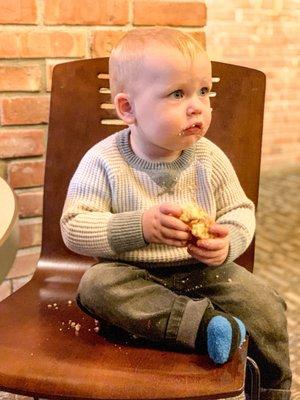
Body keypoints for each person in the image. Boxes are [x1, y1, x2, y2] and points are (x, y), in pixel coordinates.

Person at [60, 27, 291, 399]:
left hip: (204, 272)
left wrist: (227, 241)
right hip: (130, 273)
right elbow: (74, 227)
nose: (197, 105)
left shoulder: (209, 158)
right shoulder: (103, 161)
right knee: (95, 286)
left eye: (204, 91)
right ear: (128, 108)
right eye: (177, 94)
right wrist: (140, 226)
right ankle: (206, 327)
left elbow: (240, 211)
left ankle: (272, 391)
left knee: (264, 303)